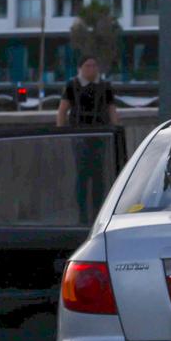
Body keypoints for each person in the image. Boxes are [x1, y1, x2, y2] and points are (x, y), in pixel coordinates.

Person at [57, 55, 118, 220]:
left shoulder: (105, 86)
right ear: (81, 68)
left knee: (99, 174)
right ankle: (82, 214)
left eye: (94, 65)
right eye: (88, 66)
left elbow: (111, 108)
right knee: (82, 174)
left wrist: (115, 127)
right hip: (79, 135)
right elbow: (62, 110)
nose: (91, 69)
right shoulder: (73, 85)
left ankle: (98, 212)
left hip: (100, 134)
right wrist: (61, 132)